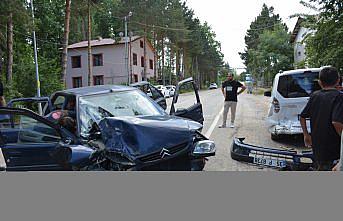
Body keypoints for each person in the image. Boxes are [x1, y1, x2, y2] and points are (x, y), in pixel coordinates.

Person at [300, 67, 343, 171]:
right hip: (333, 151)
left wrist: (306, 135)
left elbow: (302, 116)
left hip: (318, 148)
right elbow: (336, 122)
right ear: (338, 80)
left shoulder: (315, 95)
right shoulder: (339, 97)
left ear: (320, 82)